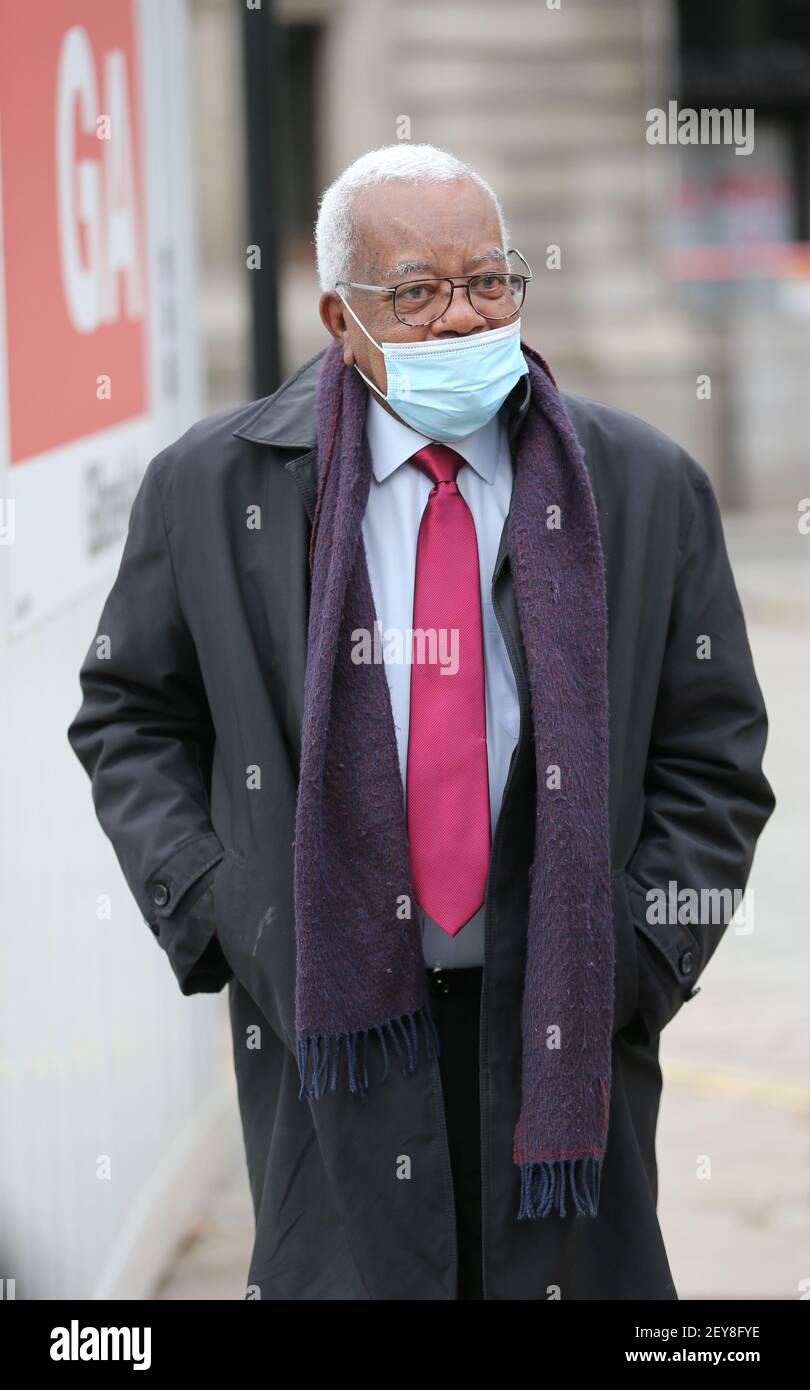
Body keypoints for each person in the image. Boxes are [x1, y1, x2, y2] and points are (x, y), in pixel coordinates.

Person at [67, 143, 775, 1301]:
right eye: (417, 292)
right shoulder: (215, 488)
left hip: (565, 1008)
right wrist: (225, 907)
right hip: (332, 1016)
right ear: (339, 317)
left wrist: (641, 949)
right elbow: (130, 714)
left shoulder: (638, 485)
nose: (462, 318)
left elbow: (715, 756)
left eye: (489, 282)